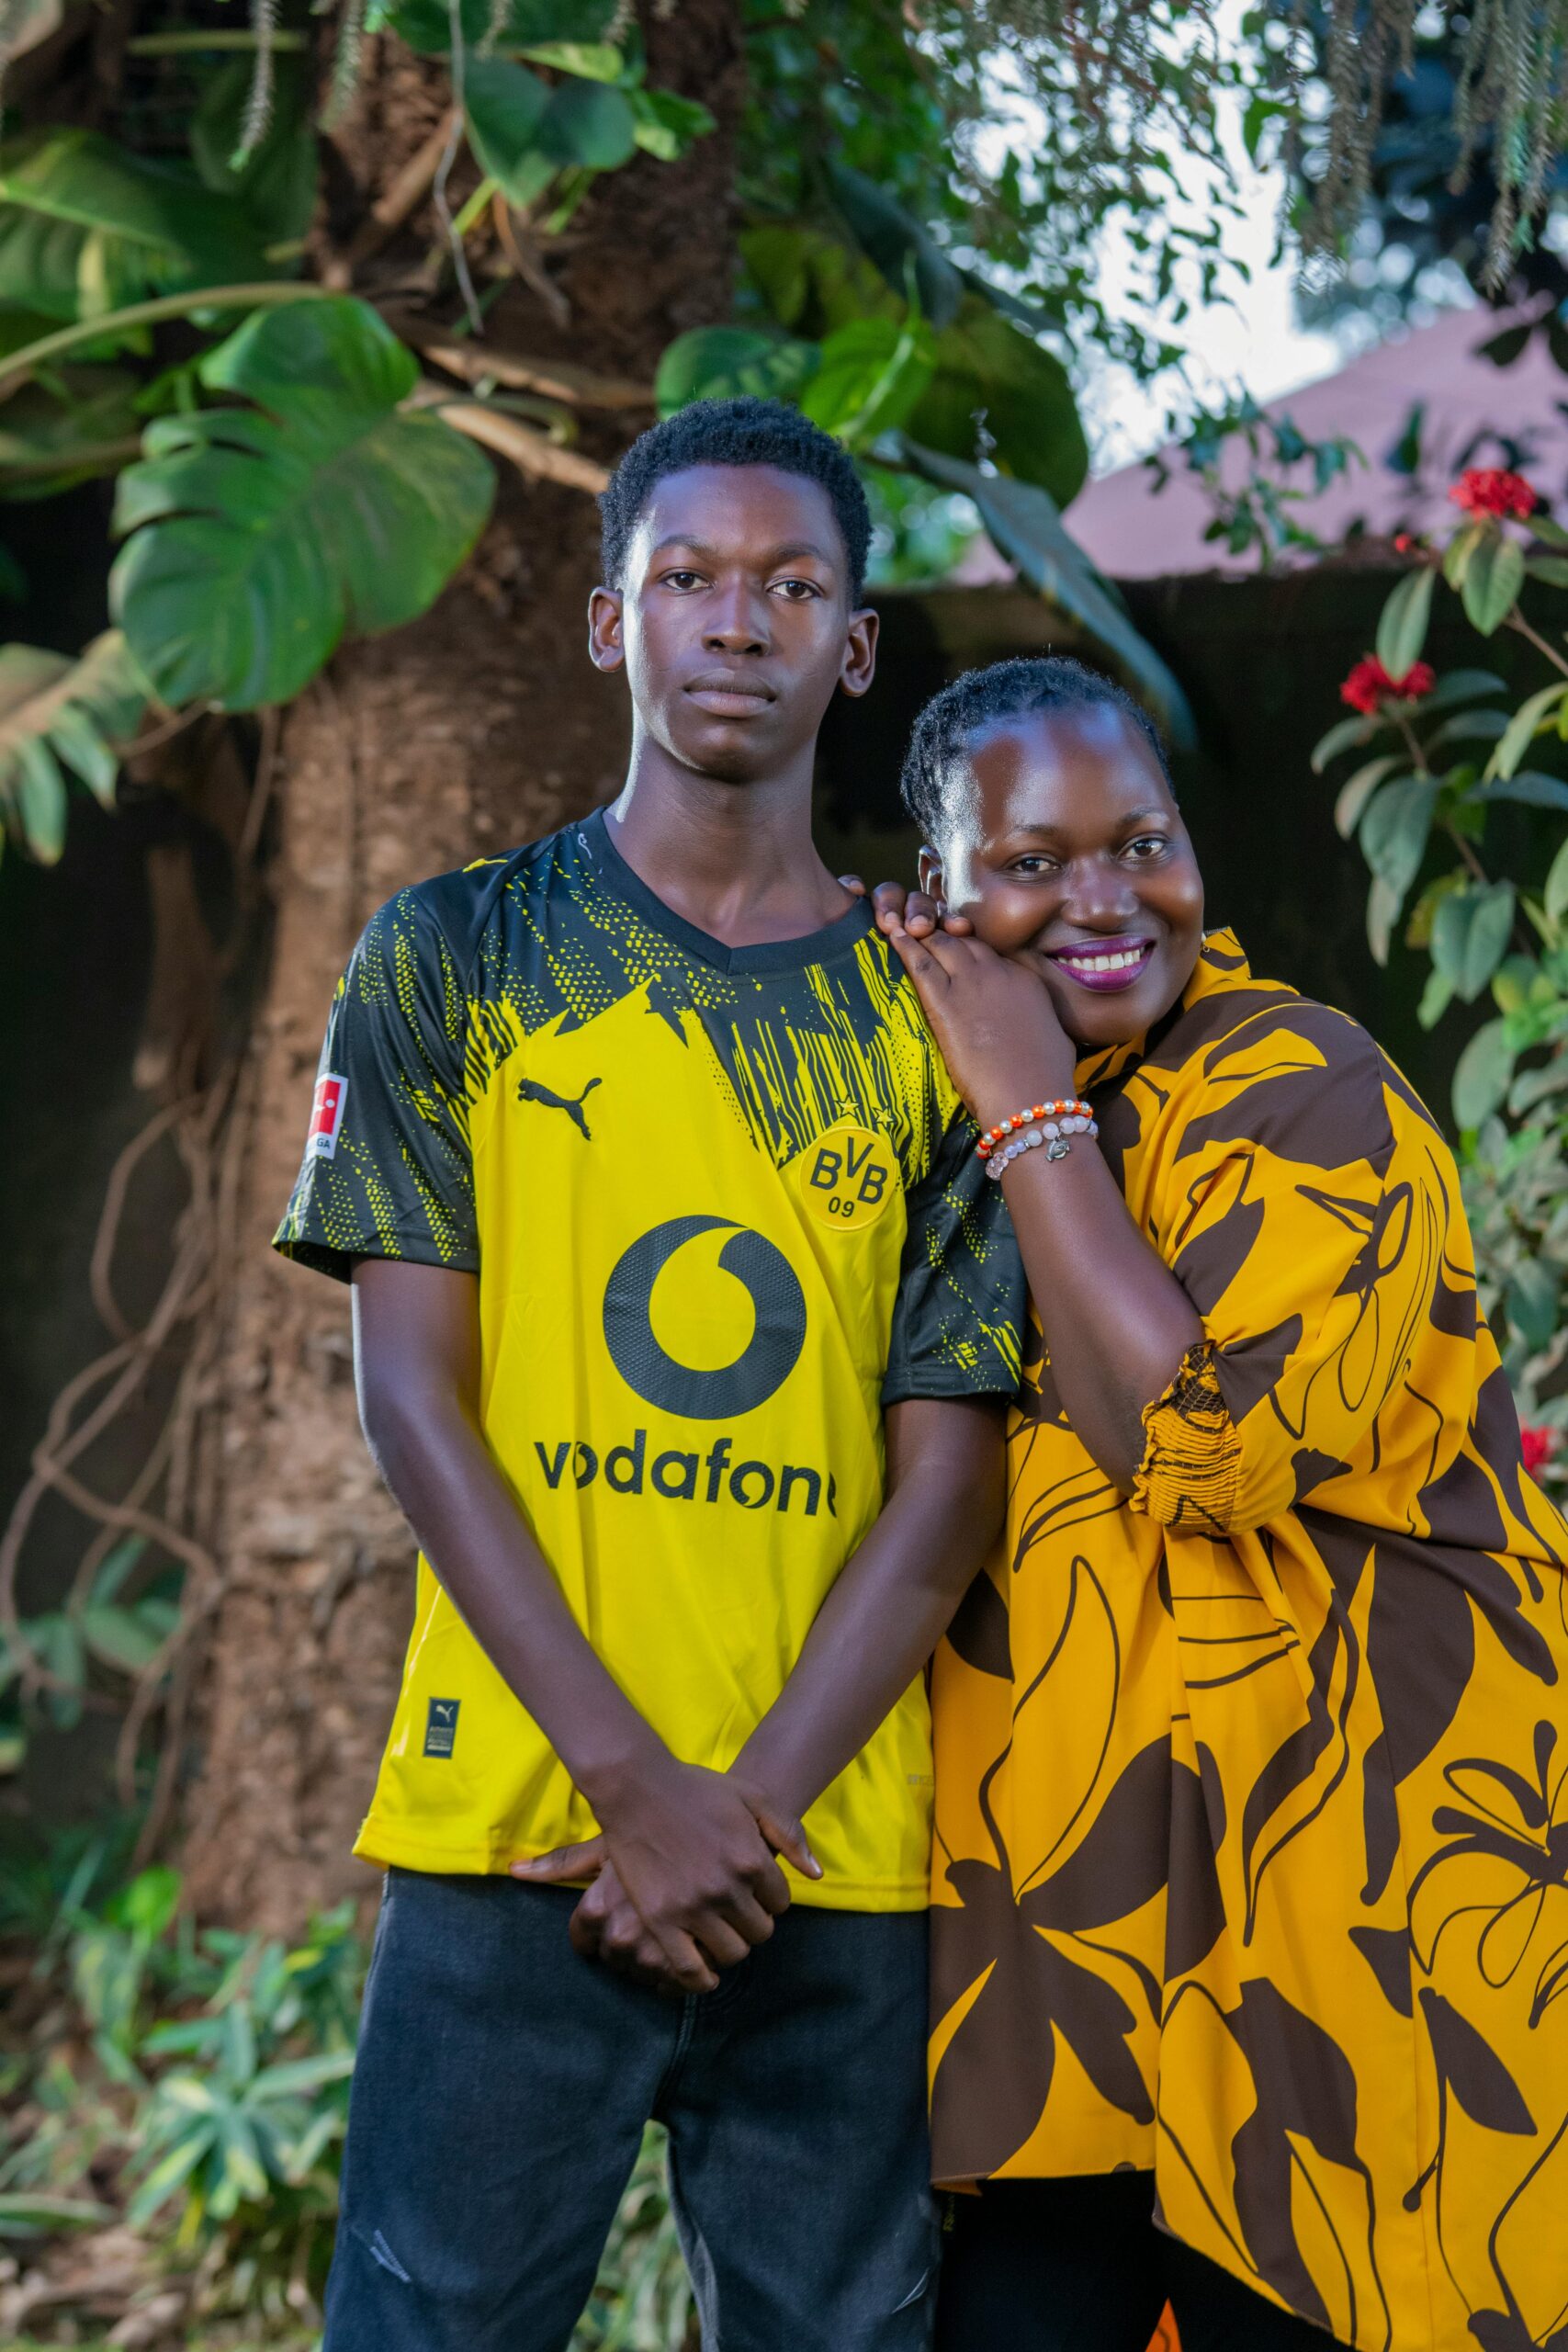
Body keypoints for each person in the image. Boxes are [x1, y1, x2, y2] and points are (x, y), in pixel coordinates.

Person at [271, 398, 1024, 2352]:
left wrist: (737, 1815)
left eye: (791, 582)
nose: (735, 620)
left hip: (828, 1862)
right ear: (611, 620)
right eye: (685, 575)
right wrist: (630, 1782)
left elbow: (942, 1483)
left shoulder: (935, 1012)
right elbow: (411, 1406)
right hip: (514, 1830)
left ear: (854, 645)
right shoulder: (452, 954)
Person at [864, 655, 1568, 2352]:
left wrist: (1033, 1116)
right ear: (938, 902)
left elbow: (1210, 1454)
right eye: (1029, 865)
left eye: (1144, 841)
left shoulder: (1312, 1095)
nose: (1104, 901)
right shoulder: (924, 1135)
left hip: (1346, 1931)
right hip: (1052, 1971)